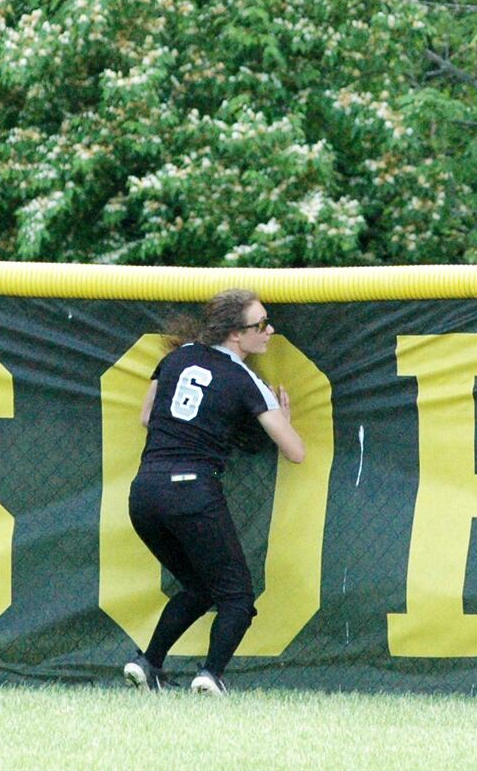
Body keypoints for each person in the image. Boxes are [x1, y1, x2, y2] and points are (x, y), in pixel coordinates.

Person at [122, 288, 306, 695]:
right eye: (261, 325)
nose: (269, 330)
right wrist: (285, 421)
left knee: (199, 588)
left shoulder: (177, 356)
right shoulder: (245, 379)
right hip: (192, 492)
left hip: (145, 492)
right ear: (235, 335)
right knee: (237, 597)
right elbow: (295, 452)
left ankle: (148, 663)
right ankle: (210, 675)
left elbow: (146, 416)